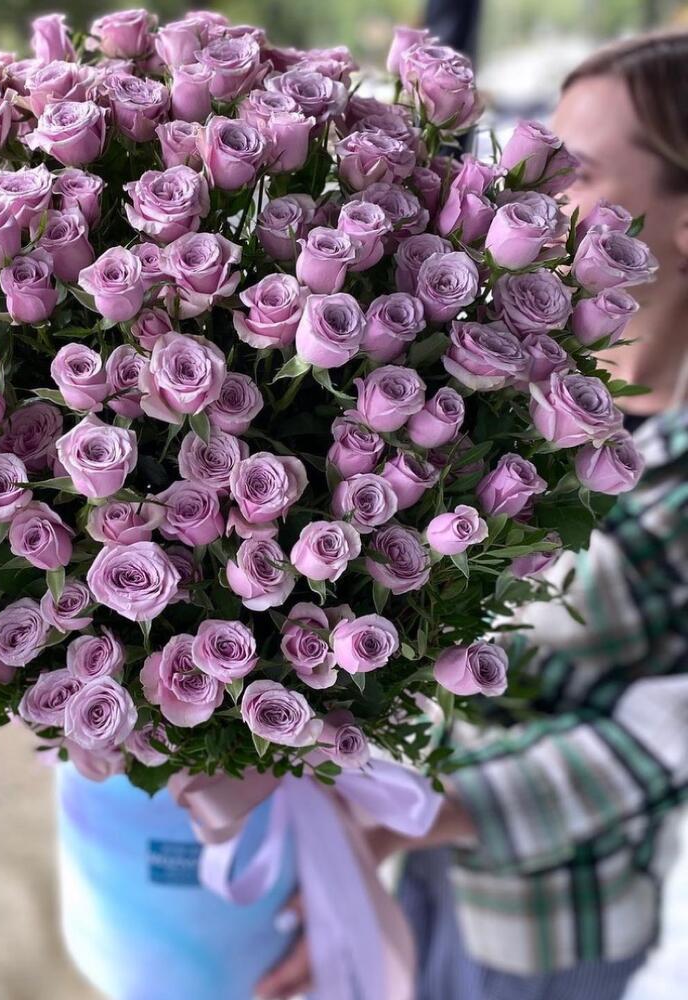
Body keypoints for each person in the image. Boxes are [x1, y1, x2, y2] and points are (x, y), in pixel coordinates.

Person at [256, 31, 688, 1000]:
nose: (525, 198)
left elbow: (670, 732)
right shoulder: (499, 386)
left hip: (552, 909)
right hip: (417, 842)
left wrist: (416, 811)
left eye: (572, 175)